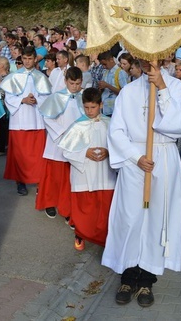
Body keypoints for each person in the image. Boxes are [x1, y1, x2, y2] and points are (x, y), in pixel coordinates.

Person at [102, 58, 181, 308]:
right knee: (131, 218)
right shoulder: (129, 91)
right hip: (135, 161)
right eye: (143, 59)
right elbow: (116, 130)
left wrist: (162, 88)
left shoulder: (177, 87)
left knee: (156, 219)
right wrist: (136, 157)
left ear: (163, 60)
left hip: (163, 159)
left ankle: (147, 280)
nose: (148, 64)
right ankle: (128, 276)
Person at [58, 87, 117, 251]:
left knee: (104, 208)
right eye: (86, 108)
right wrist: (85, 152)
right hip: (84, 173)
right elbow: (66, 150)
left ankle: (105, 239)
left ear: (101, 104)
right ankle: (81, 233)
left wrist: (109, 152)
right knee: (85, 208)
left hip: (106, 173)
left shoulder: (110, 123)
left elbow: (119, 146)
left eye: (93, 107)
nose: (90, 111)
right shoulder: (77, 125)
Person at [0, 46, 52, 196]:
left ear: (35, 59)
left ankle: (39, 182)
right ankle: (20, 182)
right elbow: (8, 98)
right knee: (19, 154)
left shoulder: (41, 77)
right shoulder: (14, 77)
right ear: (21, 59)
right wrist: (22, 99)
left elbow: (47, 98)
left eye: (30, 59)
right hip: (19, 121)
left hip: (36, 120)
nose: (28, 61)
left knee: (37, 155)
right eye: (25, 59)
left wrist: (36, 100)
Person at [36, 67, 85, 220]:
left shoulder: (82, 97)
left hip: (77, 141)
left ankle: (67, 207)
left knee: (70, 177)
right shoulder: (57, 97)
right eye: (72, 83)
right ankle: (50, 203)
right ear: (65, 81)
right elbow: (47, 118)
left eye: (78, 83)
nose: (75, 87)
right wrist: (62, 133)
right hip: (58, 141)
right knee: (54, 176)